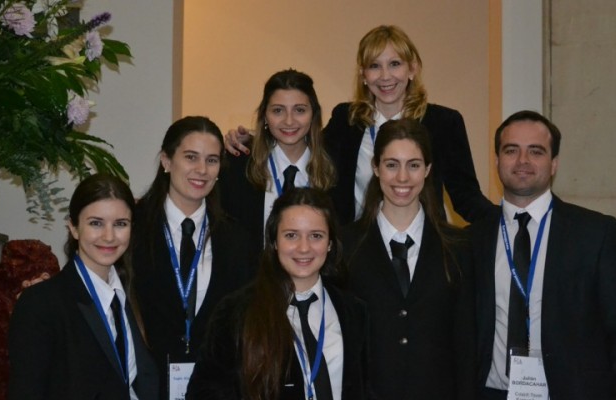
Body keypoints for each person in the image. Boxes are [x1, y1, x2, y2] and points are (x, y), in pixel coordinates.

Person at [225, 25, 492, 225]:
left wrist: (505, 220)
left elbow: (465, 195)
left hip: (426, 253)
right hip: (359, 256)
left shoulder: (444, 123)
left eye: (395, 64)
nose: (385, 76)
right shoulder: (347, 120)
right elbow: (304, 143)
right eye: (374, 66)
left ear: (412, 69)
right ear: (363, 75)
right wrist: (251, 138)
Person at [471, 110, 616, 399]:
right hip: (491, 392)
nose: (522, 161)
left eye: (536, 152)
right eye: (511, 150)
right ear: (496, 161)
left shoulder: (596, 234)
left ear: (554, 164)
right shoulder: (472, 239)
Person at [187, 188, 369, 400]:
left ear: (329, 244)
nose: (304, 248)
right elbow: (204, 394)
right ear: (274, 242)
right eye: (291, 235)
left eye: (316, 236)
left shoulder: (354, 312)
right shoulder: (236, 312)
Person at [341, 118, 475, 399]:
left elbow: (466, 344)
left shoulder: (459, 247)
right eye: (392, 165)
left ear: (427, 170)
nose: (402, 178)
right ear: (376, 168)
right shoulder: (345, 244)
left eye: (413, 165)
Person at [131, 116, 258, 398]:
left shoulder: (238, 241)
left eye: (212, 160)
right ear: (166, 161)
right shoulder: (131, 230)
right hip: (144, 388)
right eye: (191, 157)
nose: (201, 170)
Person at [8, 174, 159, 400]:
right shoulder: (41, 303)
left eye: (120, 224)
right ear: (74, 228)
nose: (109, 236)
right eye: (96, 223)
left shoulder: (139, 296)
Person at [219, 69, 336, 245]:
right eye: (278, 111)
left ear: (313, 115)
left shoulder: (334, 168)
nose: (289, 121)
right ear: (265, 115)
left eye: (299, 110)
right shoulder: (238, 166)